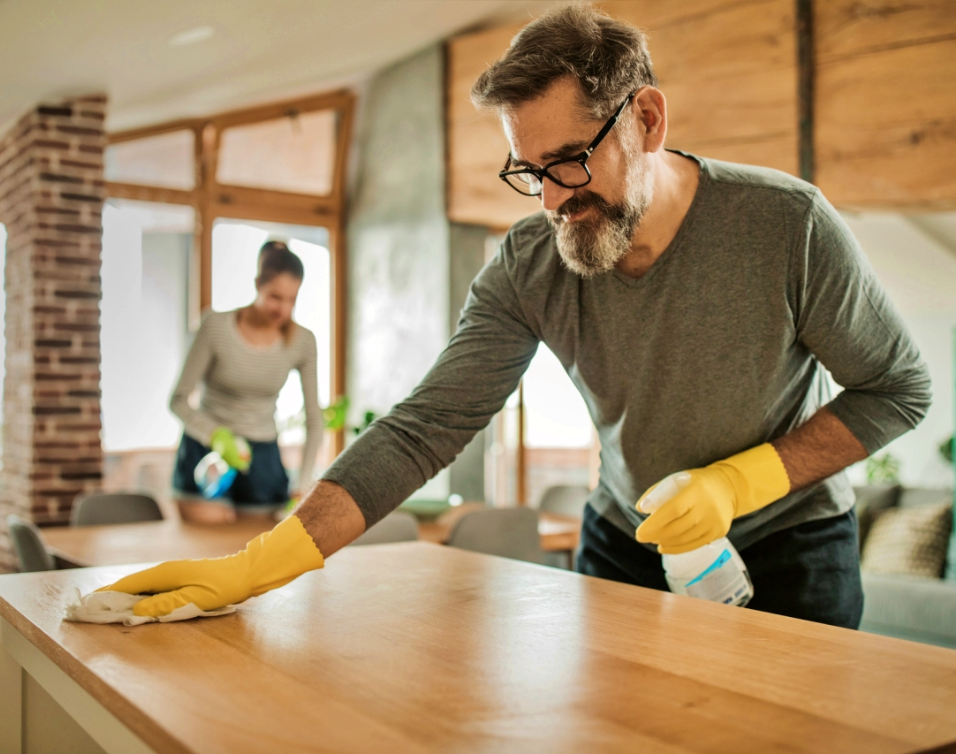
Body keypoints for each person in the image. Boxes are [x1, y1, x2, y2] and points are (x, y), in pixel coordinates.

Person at [102, 5, 930, 626]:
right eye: (530, 171)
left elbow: (898, 387)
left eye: (571, 161)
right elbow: (427, 425)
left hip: (790, 547)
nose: (555, 201)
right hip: (625, 542)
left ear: (645, 119)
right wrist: (263, 561)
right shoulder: (531, 261)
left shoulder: (787, 225)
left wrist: (740, 481)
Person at [169, 239, 324, 523]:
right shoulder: (215, 326)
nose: (283, 309)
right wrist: (216, 435)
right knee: (205, 550)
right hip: (205, 450)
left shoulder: (303, 342)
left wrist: (302, 485)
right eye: (276, 297)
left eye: (292, 299)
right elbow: (178, 400)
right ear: (257, 284)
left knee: (255, 551)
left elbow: (315, 419)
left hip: (262, 458)